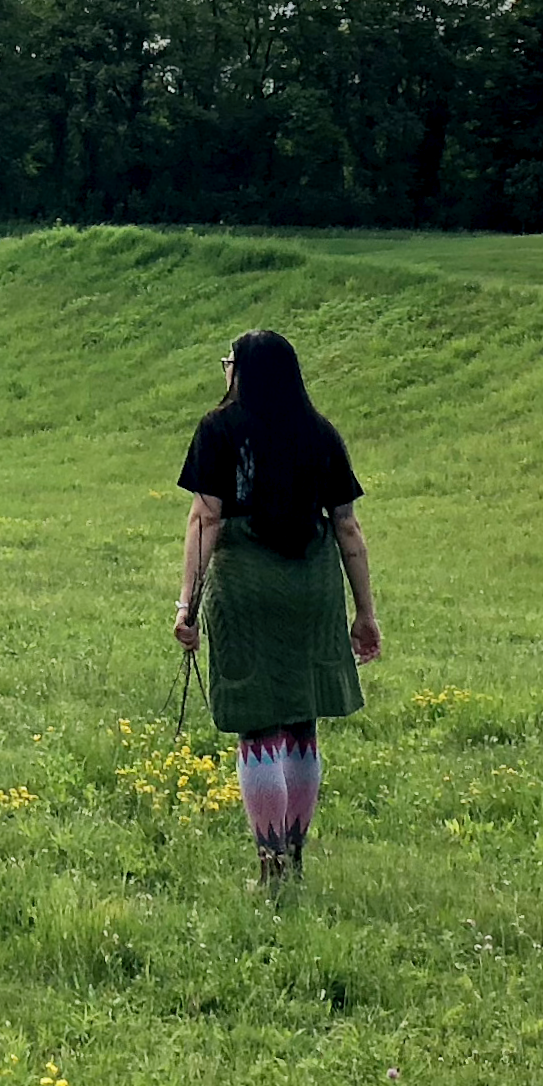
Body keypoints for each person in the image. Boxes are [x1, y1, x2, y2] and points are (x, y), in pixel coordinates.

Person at [168, 327, 380, 885]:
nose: (224, 370)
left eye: (228, 362)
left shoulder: (218, 430)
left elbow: (205, 519)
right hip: (312, 587)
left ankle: (271, 867)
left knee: (259, 730)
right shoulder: (320, 433)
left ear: (241, 372)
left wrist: (185, 604)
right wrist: (365, 613)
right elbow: (349, 529)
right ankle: (296, 857)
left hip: (245, 590)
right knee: (300, 724)